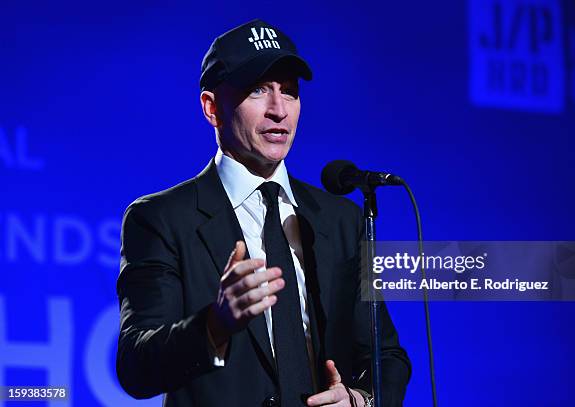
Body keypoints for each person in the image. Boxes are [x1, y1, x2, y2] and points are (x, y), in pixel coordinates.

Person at [116, 19, 410, 406]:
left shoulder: (341, 221)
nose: (278, 110)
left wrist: (359, 399)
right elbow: (137, 365)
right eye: (257, 90)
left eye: (289, 92)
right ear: (211, 107)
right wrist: (214, 325)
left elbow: (386, 355)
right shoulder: (160, 218)